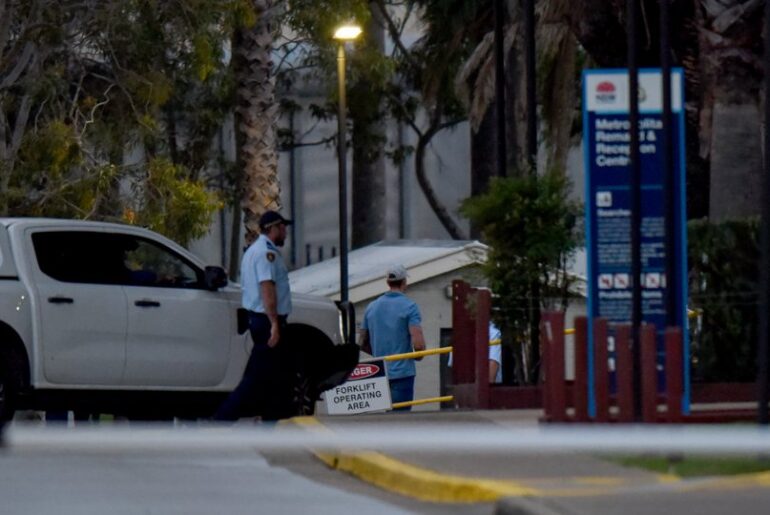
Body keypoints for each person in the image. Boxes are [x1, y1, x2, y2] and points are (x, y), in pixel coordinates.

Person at [214, 210, 294, 422]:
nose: (285, 232)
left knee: (271, 375)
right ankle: (222, 419)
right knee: (256, 378)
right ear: (273, 228)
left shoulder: (254, 250)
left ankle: (271, 420)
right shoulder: (265, 254)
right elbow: (267, 288)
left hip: (259, 319)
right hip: (266, 321)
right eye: (282, 227)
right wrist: (274, 323)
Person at [359, 264, 426, 411]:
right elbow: (418, 345)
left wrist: (378, 354)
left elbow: (362, 341)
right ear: (404, 282)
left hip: (379, 372)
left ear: (387, 282)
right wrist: (418, 356)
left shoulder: (371, 307)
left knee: (386, 418)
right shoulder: (410, 307)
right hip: (402, 373)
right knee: (401, 418)